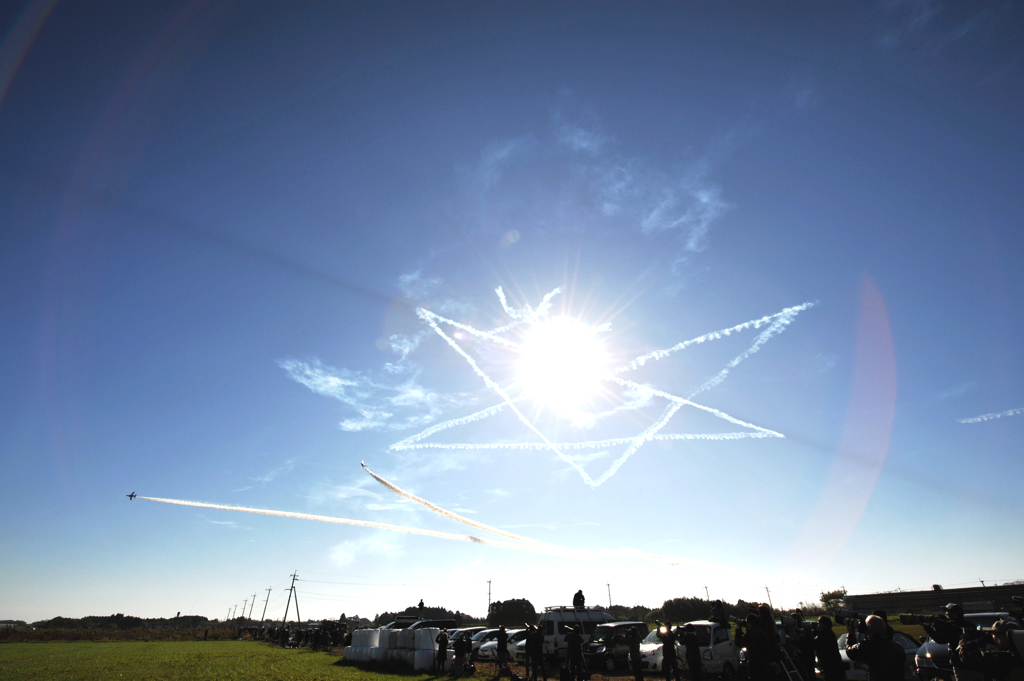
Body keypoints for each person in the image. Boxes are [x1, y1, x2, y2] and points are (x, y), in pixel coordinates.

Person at [923, 603, 983, 681]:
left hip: (960, 664)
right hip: (974, 662)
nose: (946, 614)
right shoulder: (969, 625)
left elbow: (941, 639)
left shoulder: (954, 628)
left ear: (955, 615)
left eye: (948, 613)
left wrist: (927, 628)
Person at [957, 620, 1024, 681]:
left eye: (994, 634)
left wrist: (964, 640)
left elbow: (968, 657)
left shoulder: (1004, 658)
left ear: (1004, 637)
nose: (992, 636)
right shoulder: (1019, 653)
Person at [845, 615, 905, 681]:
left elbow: (851, 653)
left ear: (870, 627)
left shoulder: (867, 645)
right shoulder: (897, 647)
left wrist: (851, 635)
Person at [812, 616, 846, 681]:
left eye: (819, 623)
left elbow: (814, 643)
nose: (819, 626)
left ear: (824, 624)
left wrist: (809, 634)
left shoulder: (824, 634)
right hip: (835, 665)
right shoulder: (830, 633)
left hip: (829, 666)